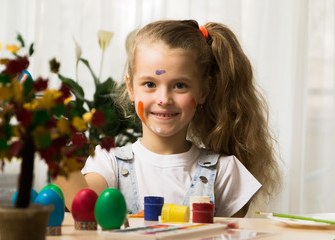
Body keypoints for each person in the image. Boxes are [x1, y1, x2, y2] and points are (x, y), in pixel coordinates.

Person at [54, 19, 281, 217]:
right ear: (131, 87)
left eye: (180, 85)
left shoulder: (225, 172)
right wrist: (54, 143)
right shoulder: (108, 164)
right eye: (150, 84)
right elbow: (84, 211)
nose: (164, 99)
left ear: (203, 91)